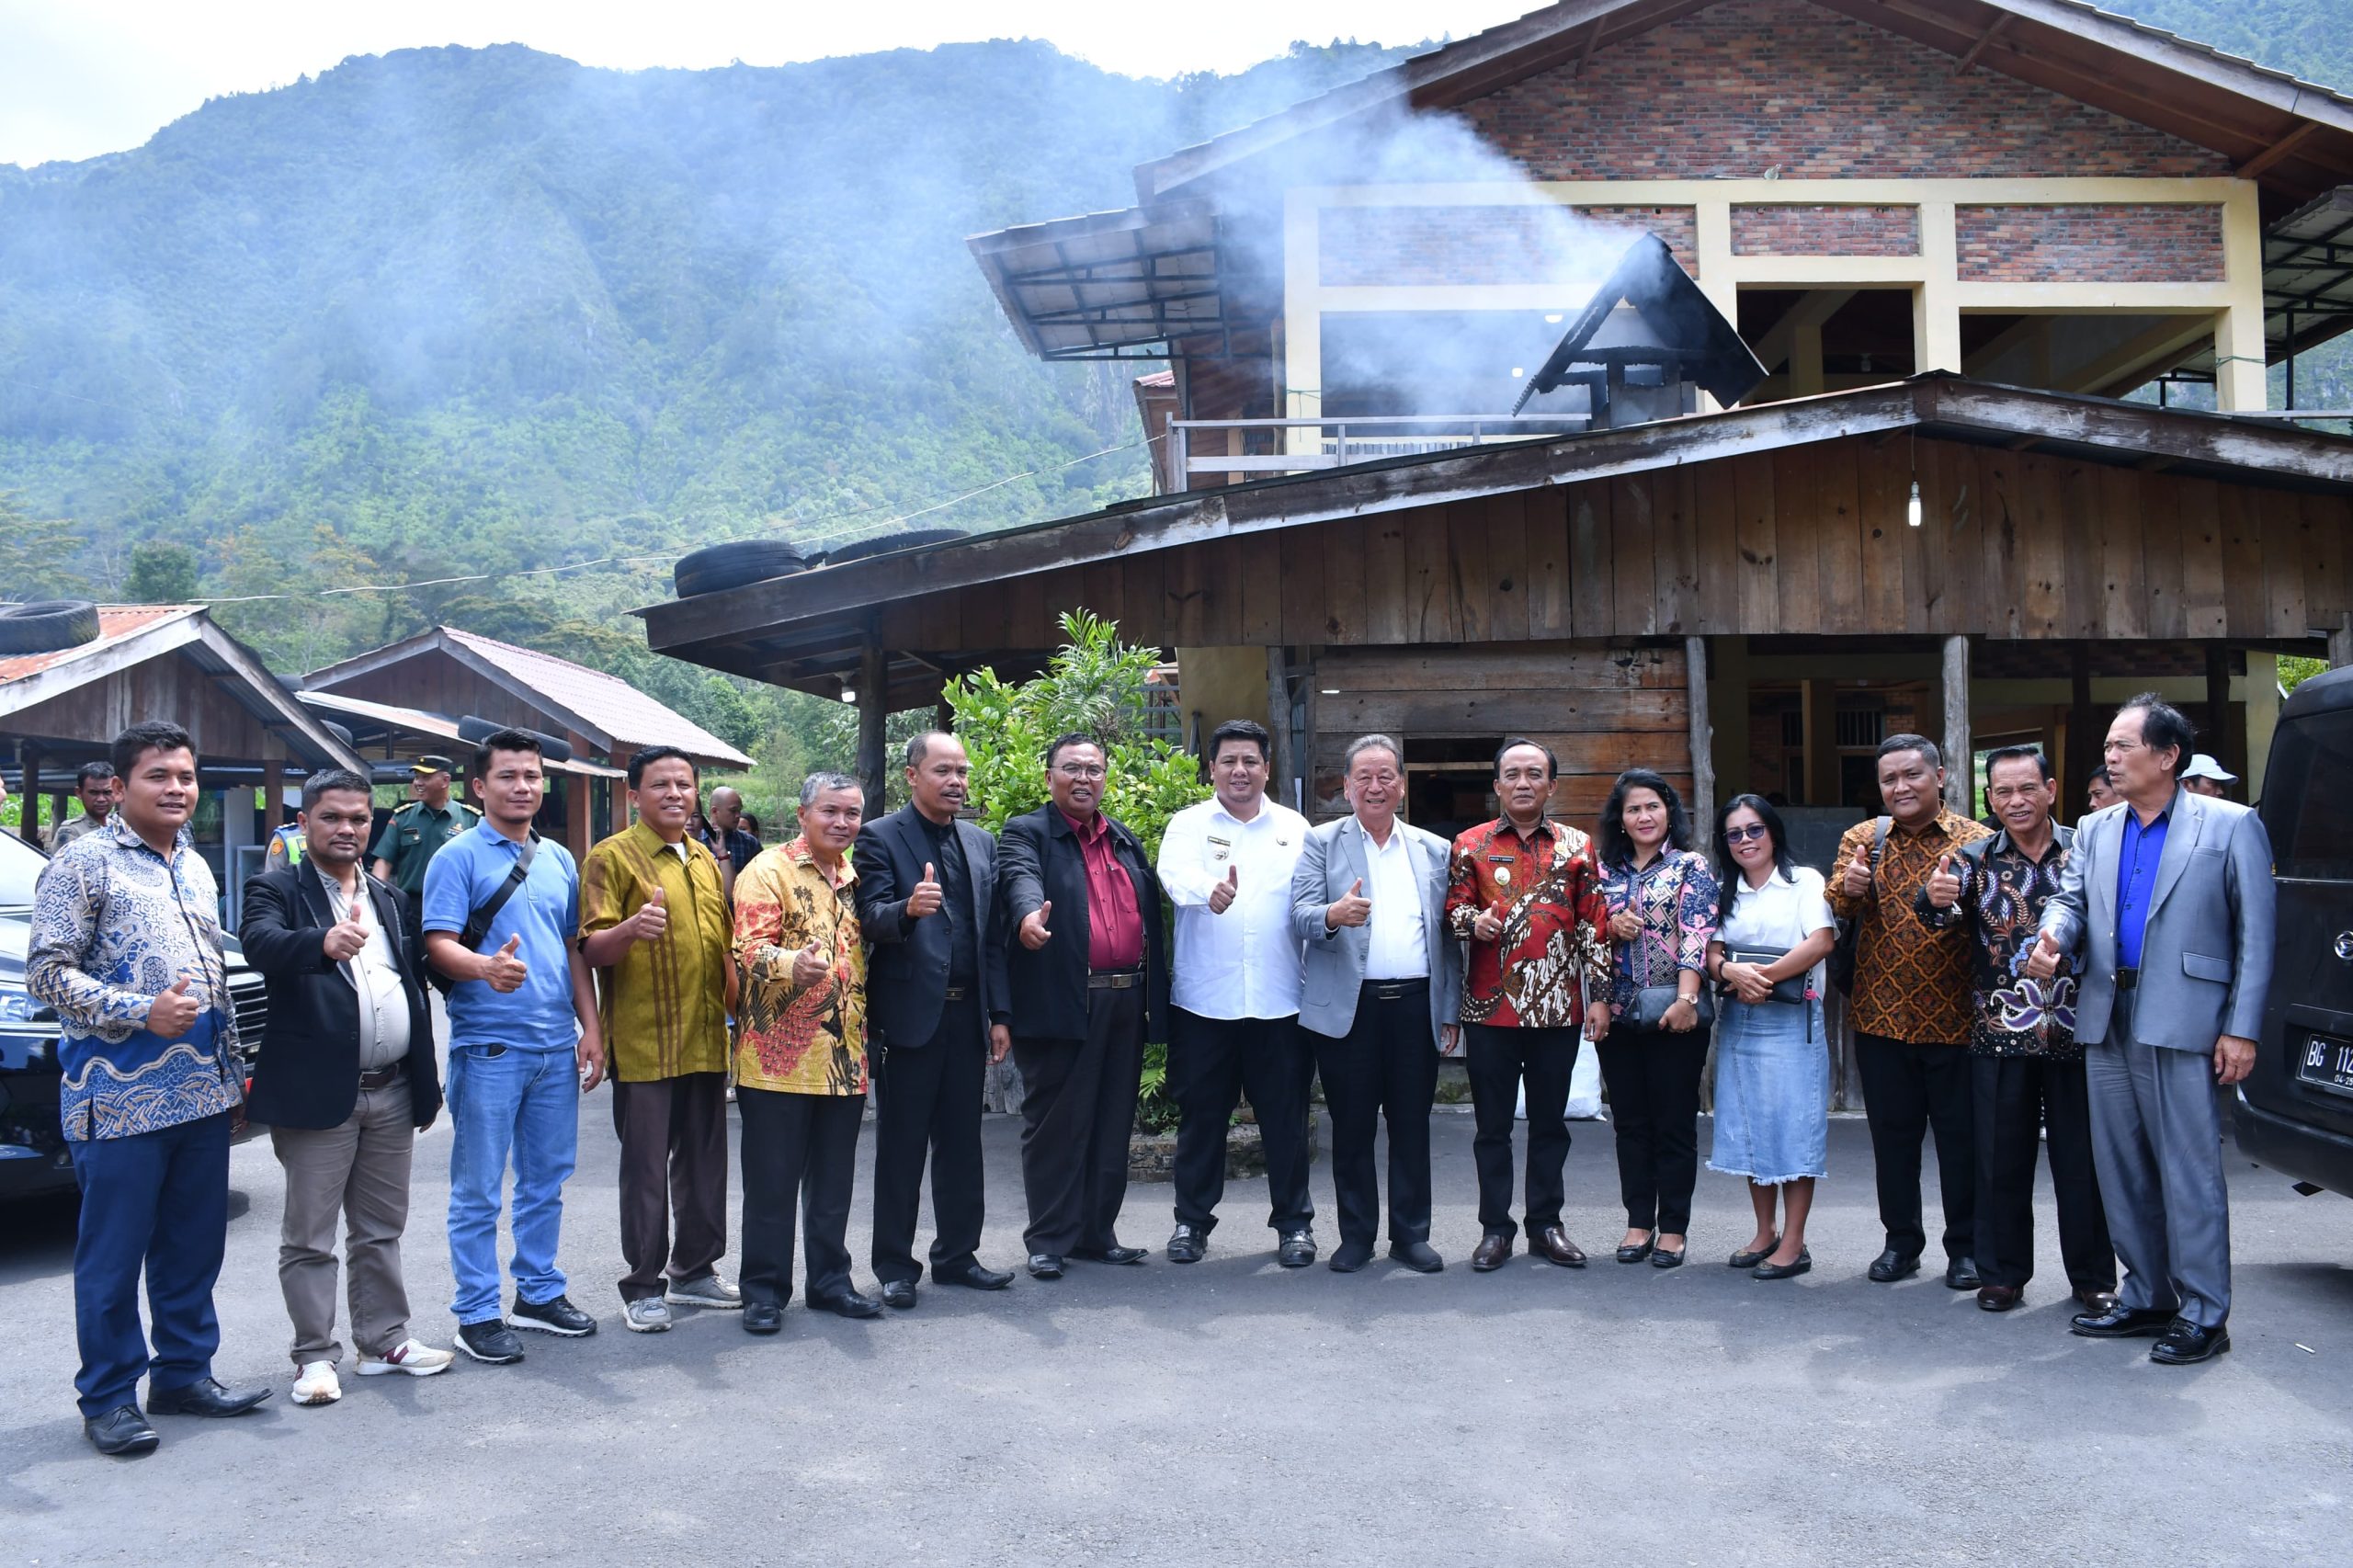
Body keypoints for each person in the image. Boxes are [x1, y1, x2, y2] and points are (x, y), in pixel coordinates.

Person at [28, 722, 270, 1456]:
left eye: (186, 777)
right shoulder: (83, 863)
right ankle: (107, 1397)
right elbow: (47, 973)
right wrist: (141, 1011)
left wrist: (232, 1078)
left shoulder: (192, 864)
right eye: (159, 776)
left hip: (201, 1093)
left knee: (192, 1248)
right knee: (113, 1256)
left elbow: (213, 979)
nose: (176, 789)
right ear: (122, 787)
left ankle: (184, 1375)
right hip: (118, 1098)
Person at [2028, 694, 2275, 1364]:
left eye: (2124, 745)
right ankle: (2146, 1297)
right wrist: (2052, 937)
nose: (2110, 756)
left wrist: (2242, 1029)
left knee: (2189, 1172)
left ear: (2167, 756)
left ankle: (2204, 1314)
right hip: (2108, 1013)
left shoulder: (2230, 825)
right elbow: (2069, 900)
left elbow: (2257, 935)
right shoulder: (2097, 827)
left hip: (2186, 1017)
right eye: (2108, 746)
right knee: (2122, 1168)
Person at [238, 768, 452, 1406]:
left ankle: (384, 1340)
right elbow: (259, 943)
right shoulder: (276, 889)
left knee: (381, 1226)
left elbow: (413, 977)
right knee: (309, 1235)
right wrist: (321, 942)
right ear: (304, 825)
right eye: (332, 817)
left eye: (359, 818)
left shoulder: (387, 898)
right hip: (317, 1093)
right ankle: (314, 1357)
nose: (347, 829)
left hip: (390, 1088)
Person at [422, 729, 606, 1365]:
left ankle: (537, 1292)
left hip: (556, 1046)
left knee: (546, 1180)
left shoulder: (557, 858)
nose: (523, 786)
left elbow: (573, 949)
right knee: (478, 1187)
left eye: (532, 775)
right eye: (508, 776)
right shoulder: (458, 856)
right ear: (480, 786)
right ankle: (476, 1311)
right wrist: (483, 969)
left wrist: (592, 1029)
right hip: (489, 1047)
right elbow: (437, 943)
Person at [1915, 746, 2116, 1316]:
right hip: (2000, 1027)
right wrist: (1932, 901)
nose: (2015, 802)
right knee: (2001, 1158)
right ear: (1990, 799)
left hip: (2080, 1030)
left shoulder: (2088, 848)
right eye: (2002, 792)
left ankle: (2094, 1276)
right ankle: (2002, 1273)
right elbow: (1939, 915)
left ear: (2051, 789)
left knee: (2083, 1160)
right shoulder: (1973, 859)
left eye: (2026, 789)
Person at [996, 733, 1169, 1280]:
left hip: (1127, 1000)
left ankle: (1097, 1233)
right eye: (1072, 769)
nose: (1084, 779)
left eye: (1094, 770)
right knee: (1056, 1125)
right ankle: (1048, 1239)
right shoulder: (1027, 832)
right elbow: (1019, 880)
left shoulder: (1122, 838)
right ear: (1050, 778)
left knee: (1112, 1122)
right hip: (1064, 1002)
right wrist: (1028, 918)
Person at [579, 744, 739, 1333]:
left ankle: (694, 1270)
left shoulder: (703, 857)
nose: (675, 794)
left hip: (704, 1035)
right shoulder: (611, 857)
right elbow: (591, 948)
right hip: (646, 1040)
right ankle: (642, 1284)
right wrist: (630, 928)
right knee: (645, 1167)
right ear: (634, 794)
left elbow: (722, 948)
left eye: (684, 784)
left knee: (705, 1161)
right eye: (661, 785)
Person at [855, 733, 1016, 1308]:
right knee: (901, 1145)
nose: (956, 781)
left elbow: (993, 937)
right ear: (912, 776)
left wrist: (999, 1012)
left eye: (963, 771)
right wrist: (907, 910)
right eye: (943, 770)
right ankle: (896, 1266)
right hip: (909, 1017)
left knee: (961, 1143)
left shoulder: (980, 841)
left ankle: (957, 1256)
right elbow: (868, 917)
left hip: (968, 1014)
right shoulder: (878, 837)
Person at [1290, 733, 1461, 1274]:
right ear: (1345, 787)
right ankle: (1357, 1235)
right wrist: (1333, 915)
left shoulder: (1434, 848)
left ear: (1403, 785)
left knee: (1412, 1122)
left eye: (1386, 775)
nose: (1375, 786)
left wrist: (1450, 1008)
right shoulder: (1321, 842)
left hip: (1415, 1004)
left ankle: (1411, 1234)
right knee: (1353, 1123)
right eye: (1363, 776)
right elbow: (1296, 915)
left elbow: (1448, 937)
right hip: (1350, 1008)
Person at [1828, 733, 1992, 1290]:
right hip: (1881, 1019)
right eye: (1889, 779)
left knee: (1961, 1142)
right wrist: (1850, 888)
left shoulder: (1978, 841)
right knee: (1892, 1141)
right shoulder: (1864, 838)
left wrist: (1961, 901)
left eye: (1912, 775)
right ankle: (1901, 1242)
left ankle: (1966, 1248)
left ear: (1940, 777)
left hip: (1958, 1022)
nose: (1900, 787)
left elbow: (2000, 923)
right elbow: (1836, 906)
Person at [1444, 738, 1609, 1272]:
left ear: (1551, 785)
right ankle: (1495, 1228)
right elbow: (1453, 911)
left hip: (1557, 1009)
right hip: (1490, 1010)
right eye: (1512, 774)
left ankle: (1546, 1226)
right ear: (1497, 785)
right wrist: (1475, 923)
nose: (1522, 782)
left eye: (1533, 774)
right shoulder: (1469, 844)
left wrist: (1600, 997)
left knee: (1549, 1125)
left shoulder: (1578, 847)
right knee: (1491, 1127)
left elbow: (1593, 927)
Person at [1156, 719, 1314, 1267]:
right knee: (1201, 1119)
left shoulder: (1295, 828)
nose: (1239, 770)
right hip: (1206, 1003)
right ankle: (1190, 1224)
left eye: (1250, 761)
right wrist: (1209, 890)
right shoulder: (1188, 824)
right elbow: (1173, 875)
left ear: (1267, 768)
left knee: (1286, 1121)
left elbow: (1311, 900)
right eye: (1228, 761)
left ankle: (1294, 1225)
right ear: (1212, 768)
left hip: (1280, 1002)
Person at [733, 772, 881, 1329]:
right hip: (777, 1060)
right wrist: (793, 964)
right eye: (830, 812)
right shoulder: (766, 871)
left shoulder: (853, 874)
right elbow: (747, 949)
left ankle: (830, 1283)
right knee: (772, 1183)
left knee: (834, 1181)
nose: (842, 823)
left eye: (852, 814)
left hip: (843, 1057)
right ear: (802, 815)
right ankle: (764, 1292)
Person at [1705, 794, 1837, 1280]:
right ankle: (1765, 1231)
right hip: (1741, 1020)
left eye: (1754, 829)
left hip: (1792, 1021)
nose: (1745, 841)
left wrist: (1760, 977)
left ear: (1773, 831)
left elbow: (1821, 941)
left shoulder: (1804, 881)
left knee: (1793, 1129)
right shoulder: (1725, 889)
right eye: (1734, 834)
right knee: (1749, 1126)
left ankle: (1796, 1242)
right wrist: (1732, 975)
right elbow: (1712, 951)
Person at [1593, 768, 1719, 1270]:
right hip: (1619, 1018)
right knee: (1630, 1124)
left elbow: (1697, 934)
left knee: (1673, 1124)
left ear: (1669, 813)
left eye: (1653, 806)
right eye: (1633, 809)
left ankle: (1674, 1228)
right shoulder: (1604, 871)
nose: (1644, 816)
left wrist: (1688, 1001)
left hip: (1676, 1015)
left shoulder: (1691, 866)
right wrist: (1608, 932)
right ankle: (1638, 1221)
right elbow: (1590, 941)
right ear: (1620, 819)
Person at [370, 755, 481, 915]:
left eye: (426, 777)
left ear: (445, 780)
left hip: (456, 906)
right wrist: (377, 899)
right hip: (411, 907)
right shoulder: (403, 817)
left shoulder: (470, 818)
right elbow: (384, 861)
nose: (418, 783)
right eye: (416, 777)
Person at [45, 762, 118, 852]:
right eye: (94, 792)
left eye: (107, 792)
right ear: (79, 793)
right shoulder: (71, 831)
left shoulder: (120, 827)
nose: (101, 799)